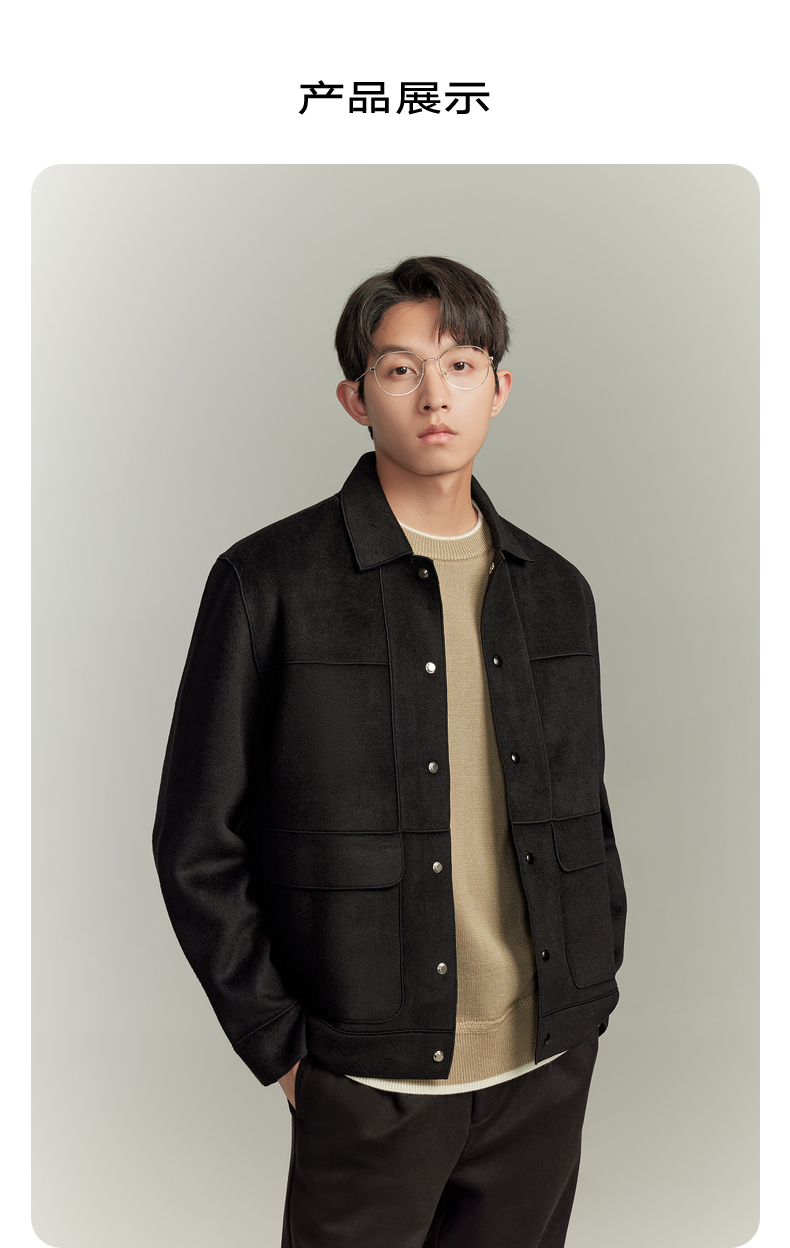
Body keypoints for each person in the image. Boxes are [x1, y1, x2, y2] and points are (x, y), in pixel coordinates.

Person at [153, 256, 626, 1247]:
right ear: (355, 398)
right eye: (400, 369)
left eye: (460, 365)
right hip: (366, 1079)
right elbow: (197, 840)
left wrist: (590, 990)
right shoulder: (268, 583)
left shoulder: (556, 591)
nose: (434, 395)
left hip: (544, 1066)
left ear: (499, 387)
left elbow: (583, 811)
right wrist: (282, 1047)